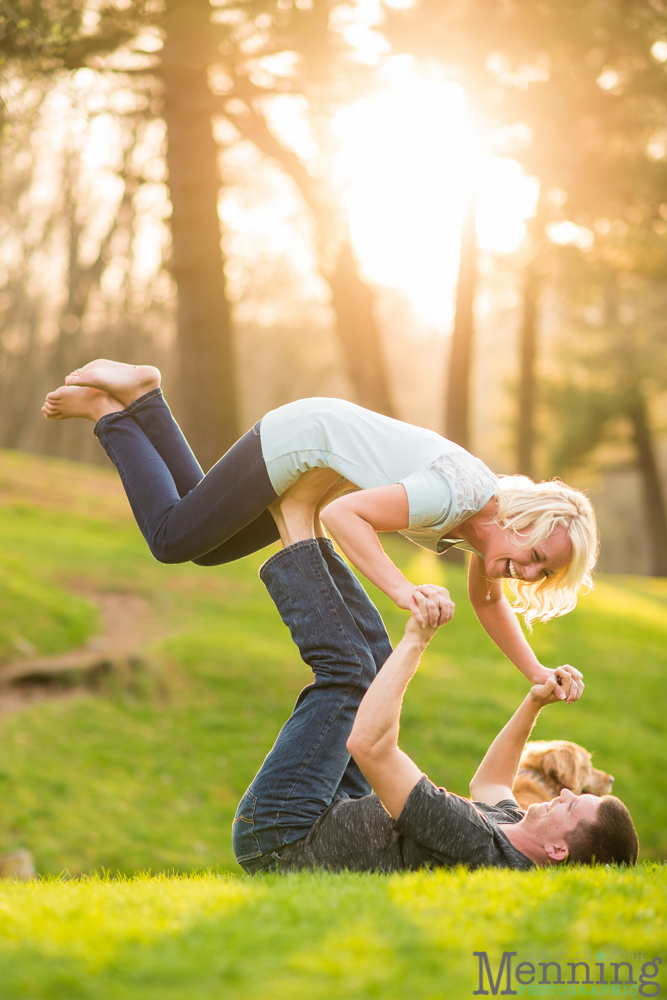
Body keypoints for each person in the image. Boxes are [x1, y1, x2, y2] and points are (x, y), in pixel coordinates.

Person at [42, 359, 596, 696]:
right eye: (536, 554)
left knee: (203, 542)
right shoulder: (458, 496)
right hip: (302, 441)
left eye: (540, 573)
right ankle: (106, 410)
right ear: (521, 519)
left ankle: (144, 396)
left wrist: (536, 671)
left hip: (313, 452)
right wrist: (401, 590)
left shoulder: (480, 528)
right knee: (171, 537)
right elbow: (341, 516)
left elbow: (490, 604)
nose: (527, 572)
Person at [232, 486, 638, 874]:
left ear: (557, 850)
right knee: (374, 656)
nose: (564, 794)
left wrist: (416, 640)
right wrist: (534, 702)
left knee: (352, 673)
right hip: (337, 804)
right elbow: (491, 782)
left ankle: (294, 520)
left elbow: (369, 747)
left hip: (286, 833)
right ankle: (306, 531)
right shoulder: (511, 830)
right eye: (573, 795)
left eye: (571, 807)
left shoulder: (476, 842)